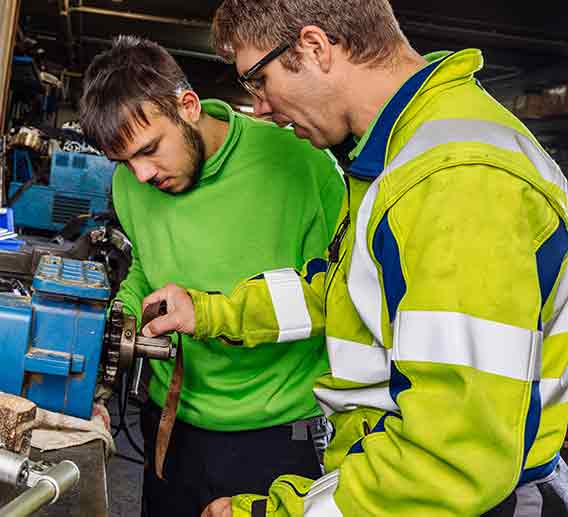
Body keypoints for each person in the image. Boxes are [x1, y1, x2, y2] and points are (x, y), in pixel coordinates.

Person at [140, 1, 568, 515]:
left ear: (315, 47)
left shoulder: (456, 178)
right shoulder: (399, 152)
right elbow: (339, 292)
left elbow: (449, 460)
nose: (262, 107)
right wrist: (208, 312)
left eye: (260, 78)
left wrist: (278, 511)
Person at [79, 35, 345, 517]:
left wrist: (209, 313)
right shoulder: (131, 184)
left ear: (188, 105)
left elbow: (337, 298)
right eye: (124, 162)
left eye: (150, 149)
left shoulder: (302, 166)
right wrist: (126, 308)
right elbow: (147, 262)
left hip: (273, 434)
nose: (140, 175)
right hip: (170, 424)